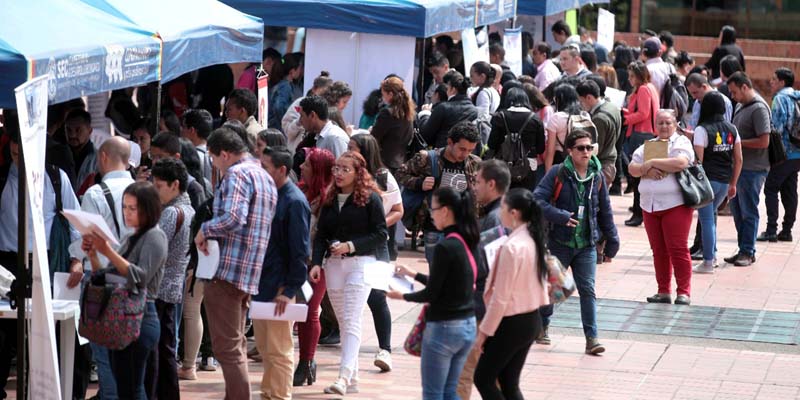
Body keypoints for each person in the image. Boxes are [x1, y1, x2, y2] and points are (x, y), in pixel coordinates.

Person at [194, 127, 277, 399]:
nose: (214, 165)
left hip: (227, 272)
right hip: (247, 272)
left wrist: (205, 229)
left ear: (225, 154)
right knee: (235, 345)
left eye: (214, 158)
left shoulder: (237, 174)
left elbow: (232, 217)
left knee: (228, 349)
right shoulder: (264, 176)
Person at [0, 129, 82, 400]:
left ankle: (47, 392)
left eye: (24, 144)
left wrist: (76, 260)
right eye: (14, 142)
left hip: (47, 261)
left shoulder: (56, 178)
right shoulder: (2, 178)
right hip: (7, 263)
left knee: (47, 331)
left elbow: (75, 220)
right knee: (5, 334)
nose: (17, 149)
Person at [387, 187, 479, 400]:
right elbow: (449, 284)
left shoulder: (445, 247)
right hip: (467, 326)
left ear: (445, 211)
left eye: (433, 209)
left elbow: (431, 294)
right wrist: (413, 274)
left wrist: (400, 296)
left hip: (445, 328)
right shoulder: (467, 241)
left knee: (433, 394)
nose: (431, 214)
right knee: (450, 392)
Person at [308, 152, 388, 396]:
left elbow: (381, 233)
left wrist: (351, 246)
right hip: (334, 265)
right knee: (344, 322)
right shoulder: (330, 199)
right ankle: (352, 378)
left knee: (352, 319)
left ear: (358, 172)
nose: (339, 174)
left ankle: (343, 377)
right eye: (336, 169)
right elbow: (321, 234)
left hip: (360, 264)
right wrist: (316, 262)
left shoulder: (371, 199)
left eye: (345, 169)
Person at [534, 129, 619, 352]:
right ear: (570, 151)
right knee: (554, 289)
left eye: (589, 148)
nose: (586, 152)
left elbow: (605, 211)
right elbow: (537, 200)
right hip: (559, 242)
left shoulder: (597, 176)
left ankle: (592, 339)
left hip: (586, 245)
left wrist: (613, 240)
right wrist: (560, 216)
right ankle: (543, 326)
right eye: (580, 148)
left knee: (588, 290)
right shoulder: (558, 173)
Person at [82, 181, 168, 399]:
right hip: (122, 315)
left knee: (132, 387)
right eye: (125, 207)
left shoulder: (155, 236)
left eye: (133, 208)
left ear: (148, 209)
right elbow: (108, 276)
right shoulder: (131, 237)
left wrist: (108, 251)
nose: (127, 214)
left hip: (140, 315)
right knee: (124, 386)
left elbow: (140, 278)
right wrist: (93, 255)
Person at [68, 136, 135, 399]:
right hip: (134, 282)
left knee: (104, 355)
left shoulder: (96, 194)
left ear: (104, 157)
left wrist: (76, 260)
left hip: (101, 283)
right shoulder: (145, 191)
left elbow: (85, 240)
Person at [474, 189, 549, 400]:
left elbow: (500, 298)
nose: (500, 213)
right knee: (508, 382)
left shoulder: (512, 247)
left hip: (511, 322)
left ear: (514, 213)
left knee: (484, 379)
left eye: (504, 209)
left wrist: (483, 334)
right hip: (531, 320)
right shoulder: (534, 239)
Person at [253, 146, 310, 400]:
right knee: (265, 347)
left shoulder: (295, 202)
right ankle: (268, 393)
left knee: (279, 348)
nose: (261, 171)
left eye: (266, 167)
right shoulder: (270, 195)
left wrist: (289, 290)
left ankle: (279, 396)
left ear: (282, 170)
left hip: (280, 286)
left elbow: (300, 252)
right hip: (263, 283)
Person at [347, 134, 403, 372]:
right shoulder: (346, 175)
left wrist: (378, 224)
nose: (348, 151)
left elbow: (398, 210)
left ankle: (385, 349)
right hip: (350, 248)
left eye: (353, 148)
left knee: (376, 297)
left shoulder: (383, 177)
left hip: (378, 246)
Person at [628, 110, 695, 304]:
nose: (664, 126)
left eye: (668, 123)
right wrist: (644, 171)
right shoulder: (647, 145)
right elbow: (632, 168)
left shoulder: (681, 142)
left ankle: (684, 292)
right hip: (649, 206)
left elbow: (681, 162)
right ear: (655, 125)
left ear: (675, 124)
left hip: (676, 204)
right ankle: (663, 290)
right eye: (660, 123)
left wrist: (651, 163)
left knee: (678, 248)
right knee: (658, 250)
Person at [455, 159, 507, 400]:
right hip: (496, 307)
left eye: (477, 182)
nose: (474, 187)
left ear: (492, 184)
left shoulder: (495, 219)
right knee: (492, 376)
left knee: (463, 372)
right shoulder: (503, 213)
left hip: (484, 307)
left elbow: (486, 267)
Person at [396, 122, 482, 265]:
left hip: (462, 227)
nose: (465, 154)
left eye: (470, 150)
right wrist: (419, 183)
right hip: (434, 227)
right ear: (450, 142)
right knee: (436, 271)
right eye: (462, 149)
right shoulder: (427, 158)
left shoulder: (474, 163)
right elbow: (400, 174)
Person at [148, 158, 195, 400]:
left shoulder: (171, 213)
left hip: (158, 289)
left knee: (154, 350)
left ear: (174, 185)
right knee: (166, 348)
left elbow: (154, 251)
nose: (155, 191)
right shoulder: (190, 211)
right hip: (175, 288)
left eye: (158, 186)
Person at [294, 147, 336, 386]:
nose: (301, 167)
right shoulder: (300, 191)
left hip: (318, 265)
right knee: (300, 310)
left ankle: (306, 362)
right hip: (298, 262)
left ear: (318, 170)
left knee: (310, 310)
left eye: (307, 164)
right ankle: (305, 360)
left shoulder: (329, 200)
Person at [692, 92, 743, 274]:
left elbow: (698, 162)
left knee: (706, 220)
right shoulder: (732, 129)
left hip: (708, 181)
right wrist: (733, 183)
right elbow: (739, 159)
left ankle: (707, 262)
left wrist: (697, 185)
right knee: (711, 217)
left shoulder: (702, 130)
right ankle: (711, 255)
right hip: (724, 181)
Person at [724, 72, 771, 267]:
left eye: (735, 92)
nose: (733, 96)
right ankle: (743, 248)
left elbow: (764, 141)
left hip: (753, 169)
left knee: (748, 210)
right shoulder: (742, 105)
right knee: (737, 210)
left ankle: (747, 251)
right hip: (739, 167)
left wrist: (738, 144)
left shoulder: (759, 108)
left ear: (745, 87)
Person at [758, 68, 800, 243]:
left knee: (770, 188)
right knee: (790, 190)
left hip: (783, 153)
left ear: (782, 82)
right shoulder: (798, 96)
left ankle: (771, 229)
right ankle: (787, 230)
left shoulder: (779, 99)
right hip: (798, 152)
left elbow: (776, 128)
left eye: (774, 79)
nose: (771, 82)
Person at [622, 60, 660, 227]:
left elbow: (643, 113)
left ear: (639, 76)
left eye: (632, 76)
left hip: (642, 134)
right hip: (648, 134)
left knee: (639, 176)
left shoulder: (644, 89)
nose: (629, 79)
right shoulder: (649, 87)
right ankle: (642, 212)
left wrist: (626, 119)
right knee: (646, 176)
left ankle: (639, 213)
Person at [487, 87, 545, 189]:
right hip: (528, 166)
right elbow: (541, 148)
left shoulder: (499, 116)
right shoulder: (535, 119)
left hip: (502, 166)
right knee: (525, 199)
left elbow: (491, 143)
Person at [577, 79, 622, 186]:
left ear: (589, 97)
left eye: (581, 101)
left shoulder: (599, 119)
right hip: (610, 161)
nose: (581, 105)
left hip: (601, 166)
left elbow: (596, 148)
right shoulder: (612, 106)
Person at [419, 70, 479, 149]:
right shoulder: (474, 110)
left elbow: (425, 134)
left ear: (453, 89)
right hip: (465, 153)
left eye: (448, 87)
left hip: (444, 153)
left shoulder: (443, 107)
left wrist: (425, 114)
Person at [371, 77, 416, 173]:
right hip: (401, 162)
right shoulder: (408, 111)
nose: (383, 98)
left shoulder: (387, 113)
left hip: (385, 162)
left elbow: (374, 137)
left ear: (390, 94)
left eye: (383, 95)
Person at [282, 71, 333, 154]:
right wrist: (300, 122)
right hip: (297, 152)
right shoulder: (299, 104)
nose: (325, 96)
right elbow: (288, 131)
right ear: (314, 89)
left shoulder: (328, 107)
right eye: (323, 93)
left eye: (328, 94)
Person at [544, 84, 584, 171]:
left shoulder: (557, 117)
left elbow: (550, 150)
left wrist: (547, 174)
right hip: (581, 159)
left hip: (561, 160)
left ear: (559, 99)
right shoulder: (585, 115)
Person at [64, 109, 99, 195]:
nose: (72, 135)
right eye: (68, 130)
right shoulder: (61, 156)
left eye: (78, 130)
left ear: (89, 131)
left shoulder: (98, 159)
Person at [269, 52, 305, 130]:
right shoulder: (285, 86)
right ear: (292, 71)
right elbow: (279, 107)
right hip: (278, 128)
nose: (301, 71)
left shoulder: (280, 84)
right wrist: (285, 123)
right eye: (299, 68)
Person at [181, 109, 214, 183]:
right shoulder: (215, 156)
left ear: (192, 130)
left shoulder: (189, 157)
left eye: (184, 127)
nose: (181, 130)